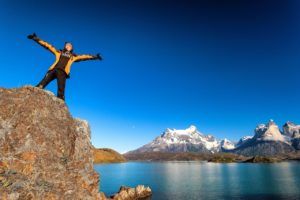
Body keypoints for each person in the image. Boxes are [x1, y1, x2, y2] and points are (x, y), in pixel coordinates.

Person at [27, 33, 102, 101]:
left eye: (70, 45)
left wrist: (95, 57)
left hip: (63, 72)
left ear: (72, 48)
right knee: (43, 82)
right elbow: (48, 46)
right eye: (67, 45)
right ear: (65, 46)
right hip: (53, 70)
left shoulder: (73, 57)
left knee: (61, 89)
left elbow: (85, 57)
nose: (68, 46)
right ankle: (34, 91)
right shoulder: (59, 52)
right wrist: (35, 38)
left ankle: (60, 101)